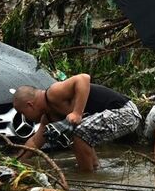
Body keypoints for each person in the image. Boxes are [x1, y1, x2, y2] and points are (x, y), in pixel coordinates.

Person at [12, 73, 141, 172]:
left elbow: (83, 78)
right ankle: (94, 170)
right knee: (77, 136)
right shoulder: (49, 117)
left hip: (126, 113)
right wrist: (14, 163)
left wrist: (77, 112)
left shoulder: (53, 93)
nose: (25, 117)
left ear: (30, 105)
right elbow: (34, 142)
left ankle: (87, 178)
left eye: (23, 113)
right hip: (113, 117)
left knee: (78, 133)